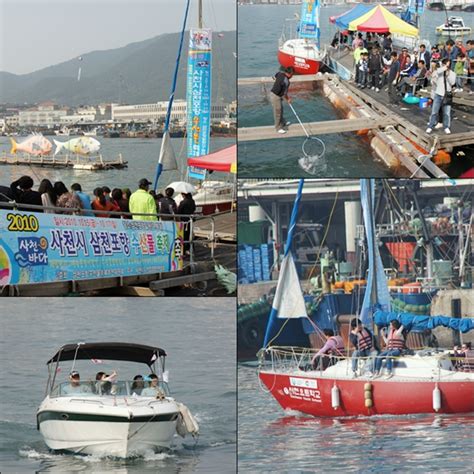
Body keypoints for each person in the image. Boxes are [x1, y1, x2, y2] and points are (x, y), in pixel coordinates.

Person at [426, 58, 456, 135]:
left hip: (447, 95)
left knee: (446, 113)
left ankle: (446, 127)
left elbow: (452, 82)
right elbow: (436, 73)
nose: (447, 66)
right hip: (438, 94)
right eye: (445, 64)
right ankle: (430, 126)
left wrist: (448, 75)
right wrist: (444, 68)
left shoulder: (453, 73)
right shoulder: (439, 71)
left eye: (448, 65)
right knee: (434, 112)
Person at [270, 66, 294, 134]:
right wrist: (288, 99)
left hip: (275, 95)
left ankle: (283, 122)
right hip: (275, 96)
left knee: (281, 110)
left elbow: (275, 76)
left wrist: (275, 79)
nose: (292, 76)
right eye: (292, 74)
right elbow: (285, 93)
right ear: (290, 73)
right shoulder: (287, 82)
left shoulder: (280, 73)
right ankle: (278, 128)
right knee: (277, 112)